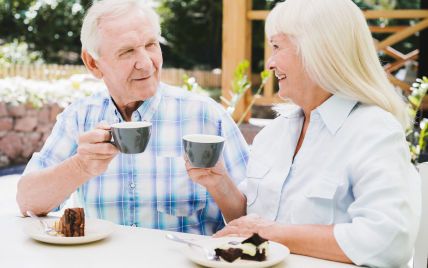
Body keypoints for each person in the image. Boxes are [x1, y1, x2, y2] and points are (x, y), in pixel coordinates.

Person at [185, 0, 421, 266]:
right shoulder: (273, 134)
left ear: (317, 50)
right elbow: (252, 220)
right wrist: (218, 182)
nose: (270, 63)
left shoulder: (374, 131)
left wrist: (273, 234)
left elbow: (390, 241)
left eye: (276, 46)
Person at [16, 0, 249, 236]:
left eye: (150, 45)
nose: (146, 63)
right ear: (93, 63)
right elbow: (27, 202)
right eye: (127, 52)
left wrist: (220, 184)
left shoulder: (206, 116)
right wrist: (80, 166)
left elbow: (256, 218)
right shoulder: (78, 117)